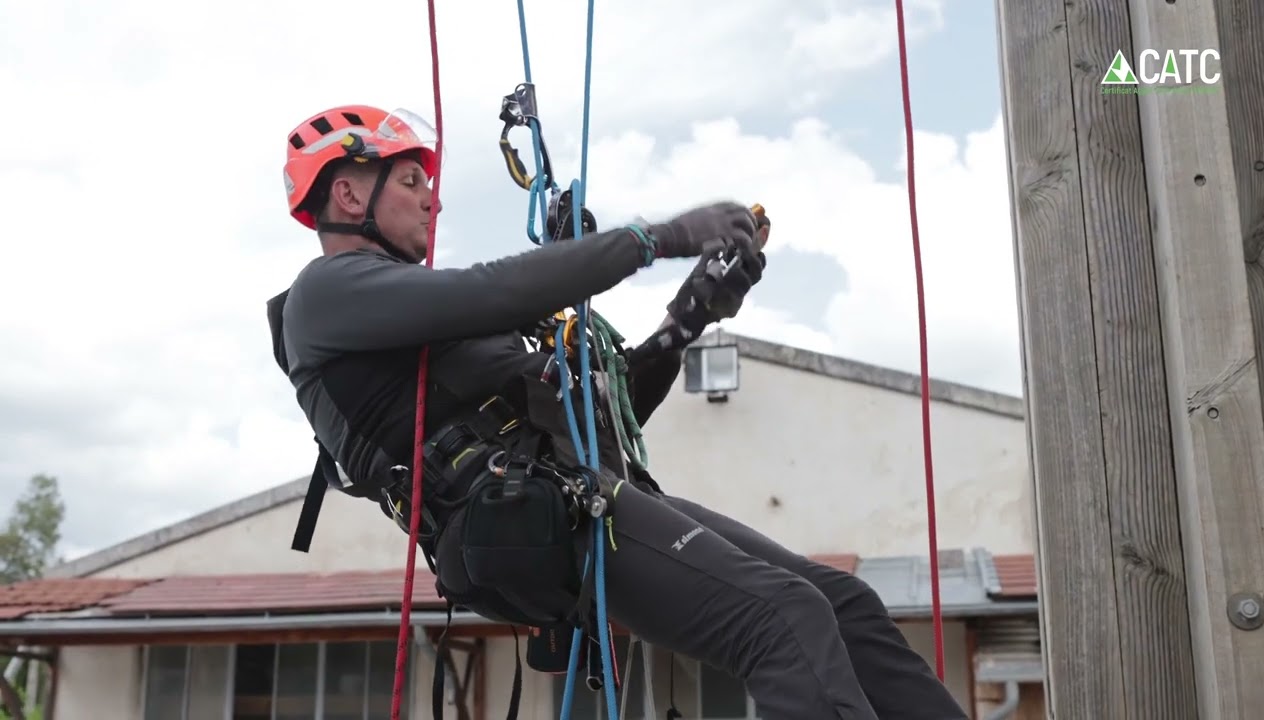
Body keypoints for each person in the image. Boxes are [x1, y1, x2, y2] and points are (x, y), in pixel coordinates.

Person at [266, 104, 968, 720]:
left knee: (841, 604)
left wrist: (689, 315)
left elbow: (604, 417)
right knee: (784, 617)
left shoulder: (426, 328)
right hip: (539, 515)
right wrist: (655, 238)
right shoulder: (326, 294)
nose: (433, 201)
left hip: (578, 493)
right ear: (348, 193)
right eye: (411, 181)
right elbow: (496, 289)